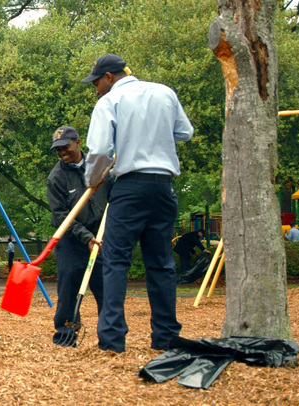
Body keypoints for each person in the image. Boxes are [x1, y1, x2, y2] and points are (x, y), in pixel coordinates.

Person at [82, 53, 194, 353]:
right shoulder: (164, 92)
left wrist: (91, 180)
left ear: (109, 77)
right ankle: (166, 337)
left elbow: (100, 150)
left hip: (130, 188)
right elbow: (185, 132)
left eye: (96, 83)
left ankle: (112, 340)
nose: (95, 90)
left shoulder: (109, 102)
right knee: (161, 264)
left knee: (115, 261)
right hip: (163, 187)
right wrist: (151, 136)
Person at [47, 126, 109, 347]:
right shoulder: (56, 178)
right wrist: (85, 237)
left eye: (66, 147)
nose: (62, 152)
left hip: (100, 239)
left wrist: (102, 235)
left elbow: (113, 198)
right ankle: (65, 336)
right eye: (58, 150)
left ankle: (109, 338)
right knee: (68, 291)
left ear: (78, 143)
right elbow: (61, 216)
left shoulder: (100, 165)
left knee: (107, 291)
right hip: (71, 241)